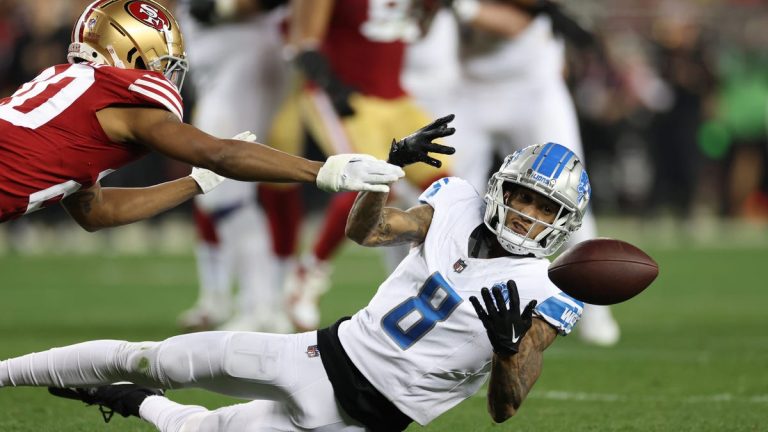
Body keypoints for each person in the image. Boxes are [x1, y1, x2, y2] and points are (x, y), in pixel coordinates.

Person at [0, 137, 591, 432]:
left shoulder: (549, 291)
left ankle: (129, 402)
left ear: (562, 221)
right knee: (158, 357)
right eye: (521, 196)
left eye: (543, 206)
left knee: (198, 429)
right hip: (319, 354)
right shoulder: (455, 203)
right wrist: (382, 178)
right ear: (501, 188)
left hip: (362, 422)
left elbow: (505, 408)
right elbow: (371, 231)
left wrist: (509, 350)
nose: (526, 214)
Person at [0, 0, 406, 229]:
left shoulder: (65, 87)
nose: (164, 72)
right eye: (161, 60)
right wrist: (323, 171)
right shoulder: (124, 99)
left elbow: (97, 212)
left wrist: (194, 185)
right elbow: (219, 153)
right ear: (132, 51)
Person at [424, 0, 620, 345]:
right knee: (453, 197)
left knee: (567, 189)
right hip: (468, 87)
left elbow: (519, 18)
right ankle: (442, 297)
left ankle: (593, 306)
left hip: (533, 87)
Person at [259, 0, 454, 331]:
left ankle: (429, 284)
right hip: (345, 92)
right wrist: (330, 85)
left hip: (394, 96)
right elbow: (302, 42)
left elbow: (413, 32)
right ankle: (309, 274)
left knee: (447, 191)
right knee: (371, 180)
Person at [173, 0, 294, 332]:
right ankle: (259, 304)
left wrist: (221, 8)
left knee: (222, 190)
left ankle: (261, 306)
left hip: (245, 54)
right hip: (224, 61)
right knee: (220, 192)